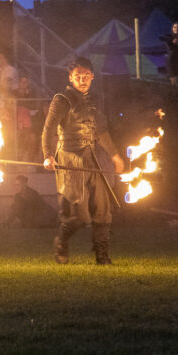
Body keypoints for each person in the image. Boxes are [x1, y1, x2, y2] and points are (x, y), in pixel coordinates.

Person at [42, 56, 126, 265]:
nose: (82, 80)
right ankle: (61, 241)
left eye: (86, 75)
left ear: (92, 76)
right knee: (79, 216)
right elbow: (48, 130)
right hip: (71, 159)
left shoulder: (95, 99)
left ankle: (102, 256)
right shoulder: (62, 99)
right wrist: (48, 155)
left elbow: (101, 131)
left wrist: (115, 156)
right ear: (70, 78)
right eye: (78, 76)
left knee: (103, 210)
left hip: (94, 158)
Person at [162, 22, 178, 86]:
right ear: (172, 28)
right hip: (173, 63)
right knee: (175, 83)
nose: (176, 29)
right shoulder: (169, 37)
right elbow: (171, 45)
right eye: (174, 27)